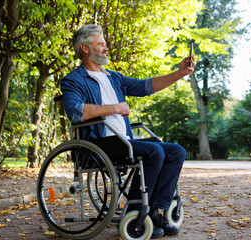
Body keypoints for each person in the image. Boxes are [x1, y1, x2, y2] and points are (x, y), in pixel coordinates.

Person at [61, 24, 195, 238]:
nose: (106, 47)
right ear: (85, 48)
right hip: (99, 143)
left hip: (123, 141)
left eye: (105, 44)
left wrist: (180, 73)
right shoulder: (73, 80)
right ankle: (134, 213)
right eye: (101, 44)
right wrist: (115, 108)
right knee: (154, 152)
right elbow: (75, 112)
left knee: (176, 151)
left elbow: (145, 86)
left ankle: (153, 211)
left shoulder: (114, 78)